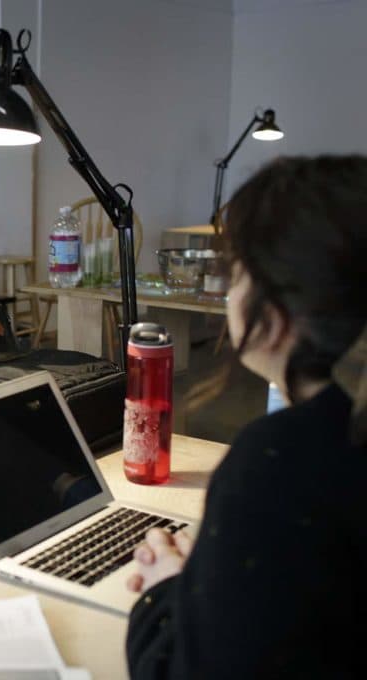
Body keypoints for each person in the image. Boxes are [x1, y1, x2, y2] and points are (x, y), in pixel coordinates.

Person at [125, 155, 367, 678]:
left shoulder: (282, 463)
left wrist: (168, 589)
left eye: (237, 274)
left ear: (276, 312)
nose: (230, 292)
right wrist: (222, 575)